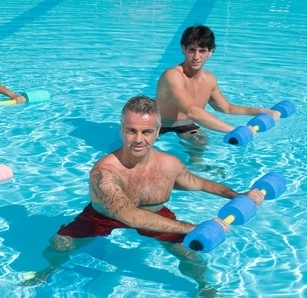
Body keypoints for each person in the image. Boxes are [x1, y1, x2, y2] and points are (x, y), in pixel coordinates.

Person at [21, 96, 264, 295]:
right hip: (103, 215)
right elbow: (131, 217)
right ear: (122, 130)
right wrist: (193, 227)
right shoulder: (105, 172)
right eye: (131, 131)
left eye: (147, 131)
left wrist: (235, 195)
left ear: (158, 131)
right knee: (57, 246)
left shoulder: (169, 164)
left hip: (154, 213)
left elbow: (197, 182)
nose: (138, 139)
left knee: (190, 253)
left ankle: (204, 286)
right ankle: (49, 269)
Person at [155, 25, 280, 146]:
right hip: (160, 127)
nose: (196, 57)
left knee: (201, 142)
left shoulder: (209, 79)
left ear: (210, 52)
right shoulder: (173, 75)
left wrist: (261, 111)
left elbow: (226, 108)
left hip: (186, 126)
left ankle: (198, 165)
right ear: (183, 49)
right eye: (192, 50)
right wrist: (234, 130)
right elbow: (192, 111)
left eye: (202, 51)